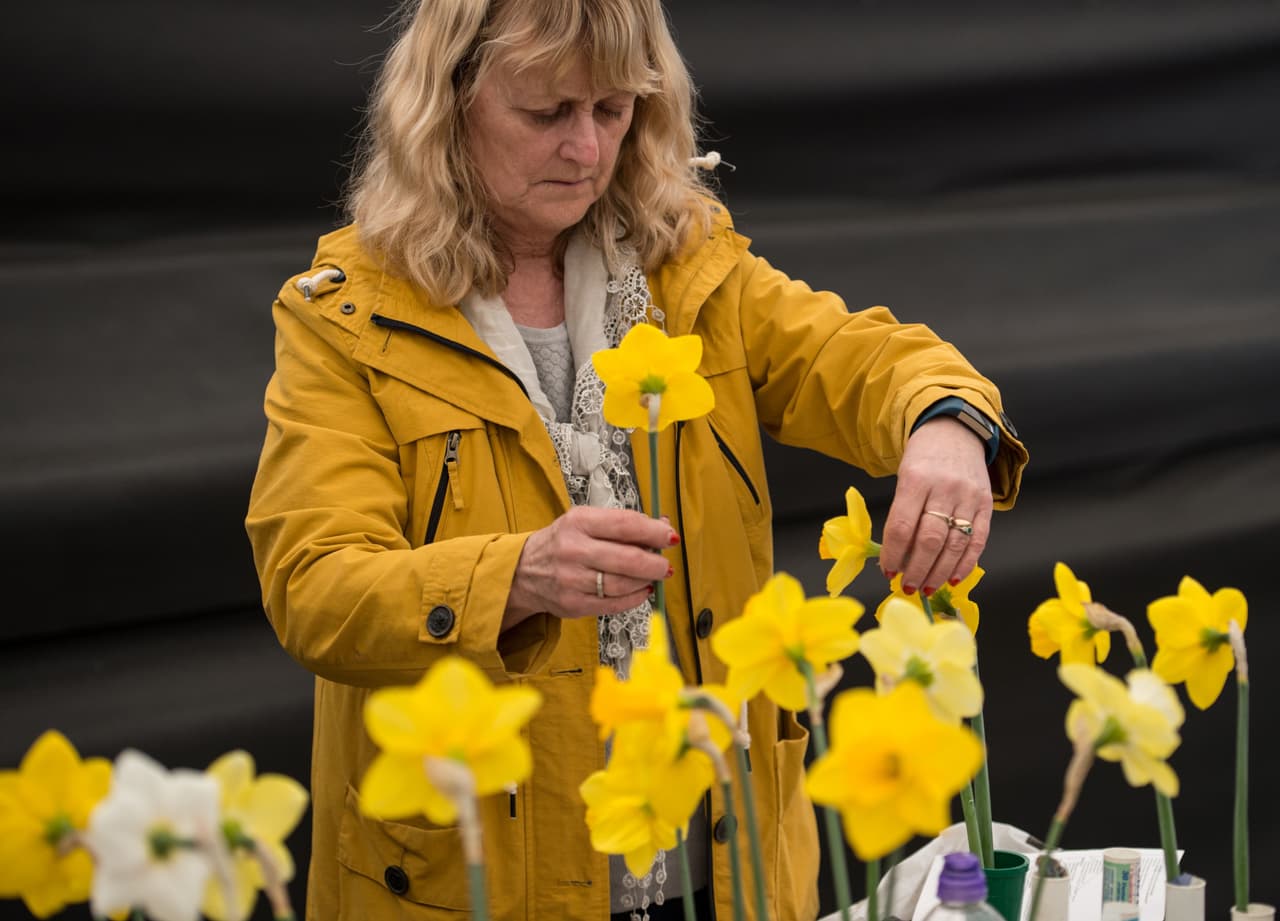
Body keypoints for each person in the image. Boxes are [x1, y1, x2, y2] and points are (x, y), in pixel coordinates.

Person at [245, 1, 1028, 919]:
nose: (586, 149)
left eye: (613, 111)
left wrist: (944, 418)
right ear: (448, 103)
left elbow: (858, 359)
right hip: (473, 887)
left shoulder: (691, 274)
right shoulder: (344, 318)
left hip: (721, 874)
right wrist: (518, 574)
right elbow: (312, 587)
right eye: (547, 113)